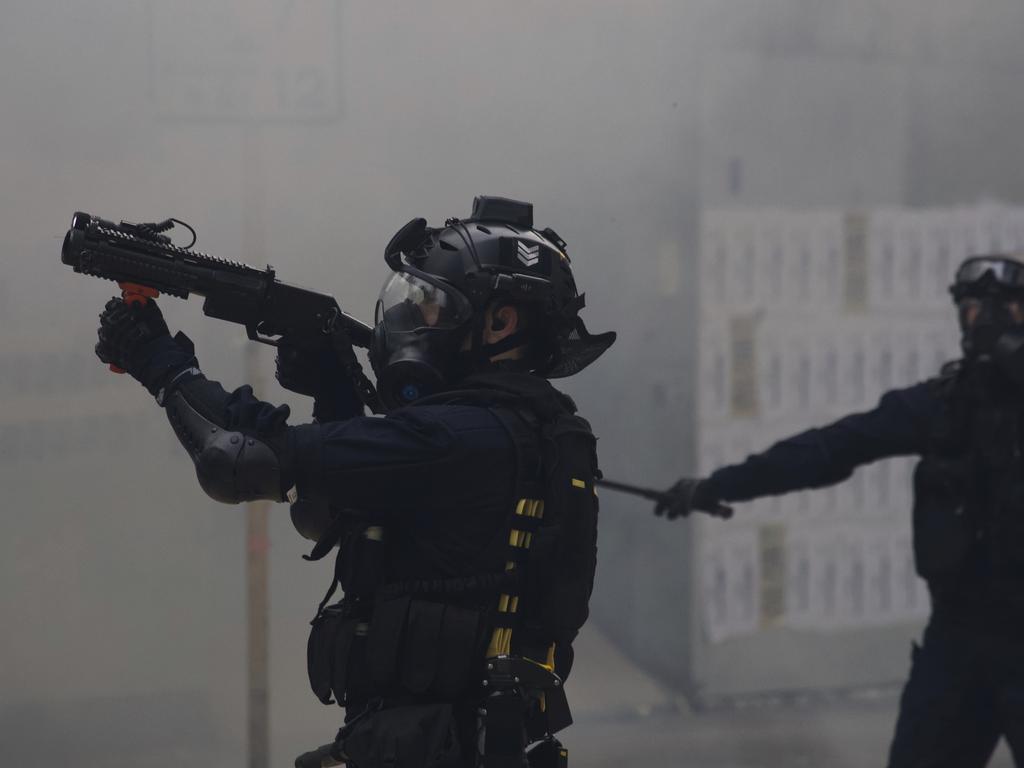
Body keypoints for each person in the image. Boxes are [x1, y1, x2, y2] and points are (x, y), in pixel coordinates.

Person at [92, 196, 615, 768]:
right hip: (458, 741)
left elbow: (242, 461)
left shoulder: (457, 435)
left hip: (429, 746)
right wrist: (334, 392)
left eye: (434, 306)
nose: (415, 321)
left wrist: (161, 361)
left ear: (501, 322)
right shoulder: (524, 433)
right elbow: (340, 513)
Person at [657, 254, 1024, 767]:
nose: (986, 322)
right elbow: (830, 448)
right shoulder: (945, 405)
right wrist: (720, 485)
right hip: (958, 641)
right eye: (973, 309)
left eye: (1004, 307)